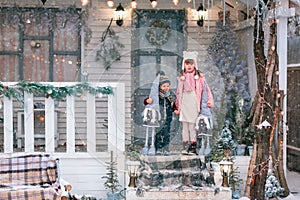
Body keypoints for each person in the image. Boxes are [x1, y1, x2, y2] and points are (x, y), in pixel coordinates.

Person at [174, 51, 214, 154]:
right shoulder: (181, 77)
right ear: (184, 64)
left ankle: (193, 146)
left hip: (194, 101)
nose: (189, 66)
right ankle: (185, 146)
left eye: (191, 63)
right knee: (184, 126)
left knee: (192, 126)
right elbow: (178, 93)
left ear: (194, 64)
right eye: (187, 63)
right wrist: (177, 106)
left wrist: (209, 100)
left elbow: (206, 89)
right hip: (184, 102)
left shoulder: (199, 77)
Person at [143, 71, 176, 155]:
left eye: (168, 86)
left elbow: (173, 104)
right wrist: (147, 101)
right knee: (158, 132)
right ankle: (157, 147)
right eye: (164, 86)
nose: (166, 88)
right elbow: (149, 101)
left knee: (166, 133)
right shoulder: (156, 95)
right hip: (158, 117)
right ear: (159, 86)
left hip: (167, 117)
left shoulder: (170, 94)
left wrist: (174, 108)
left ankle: (165, 148)